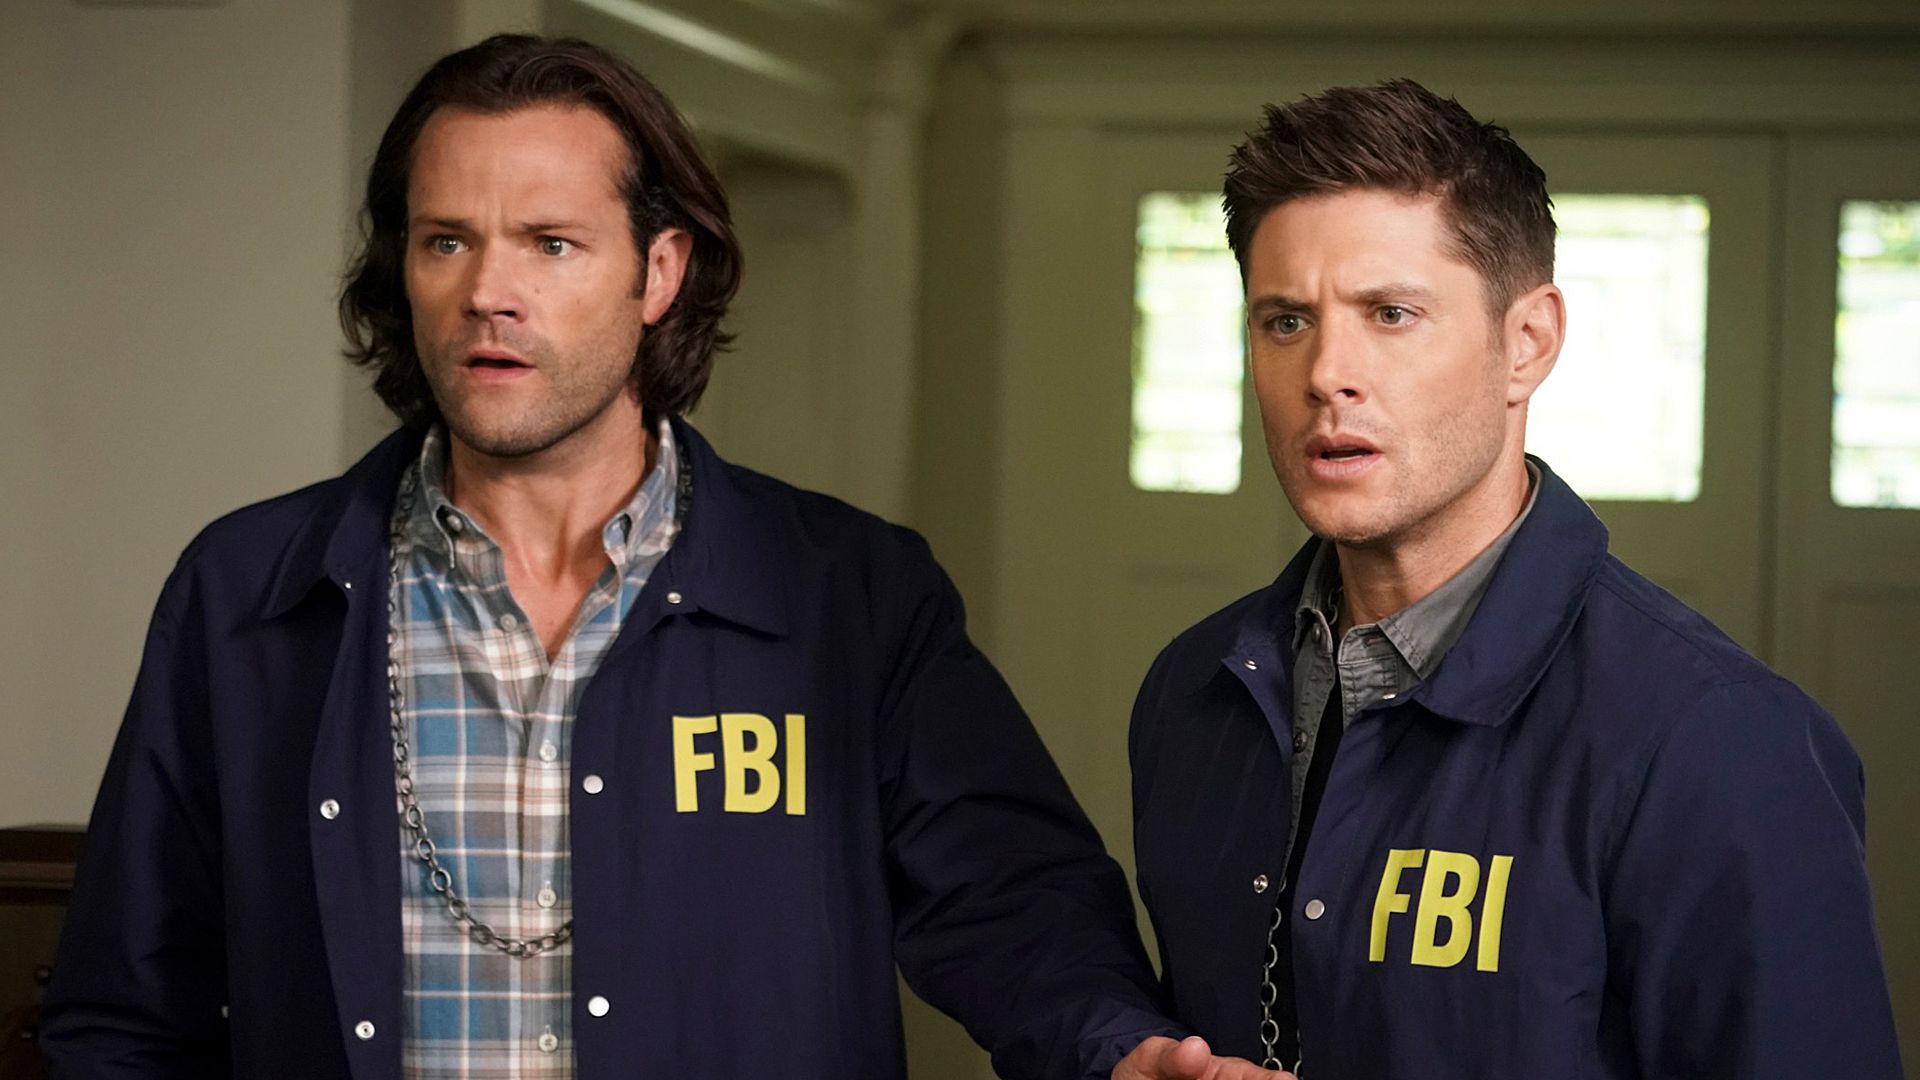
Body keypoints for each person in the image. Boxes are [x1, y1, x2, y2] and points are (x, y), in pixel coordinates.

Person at [39, 33, 1277, 1080]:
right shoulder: (247, 592)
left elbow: (1010, 902)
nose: (488, 292)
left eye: (551, 243)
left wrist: (1120, 1050)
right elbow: (127, 1012)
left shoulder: (850, 596)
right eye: (446, 241)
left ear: (660, 272)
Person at [1128, 79, 1904, 1079]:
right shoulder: (1193, 695)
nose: (1325, 373)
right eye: (1285, 322)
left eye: (1391, 313)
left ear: (1526, 344)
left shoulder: (1717, 741)